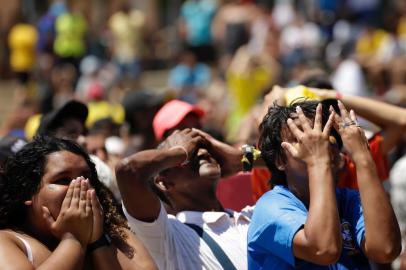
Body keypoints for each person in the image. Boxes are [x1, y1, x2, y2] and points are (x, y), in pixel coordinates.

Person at [248, 100, 401, 269]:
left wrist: (362, 156)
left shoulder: (350, 200)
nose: (318, 139)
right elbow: (324, 250)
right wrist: (318, 161)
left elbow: (385, 249)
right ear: (280, 160)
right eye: (302, 134)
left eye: (324, 131)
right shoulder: (271, 207)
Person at [0, 135, 157, 269]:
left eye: (86, 177)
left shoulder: (114, 233)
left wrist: (98, 242)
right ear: (28, 191)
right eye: (63, 180)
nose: (82, 186)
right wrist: (73, 239)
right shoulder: (8, 241)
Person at [115, 128, 253, 269]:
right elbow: (128, 170)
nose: (203, 153)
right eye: (192, 153)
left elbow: (277, 158)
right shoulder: (169, 239)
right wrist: (181, 151)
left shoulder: (252, 216)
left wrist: (241, 159)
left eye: (205, 148)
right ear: (164, 183)